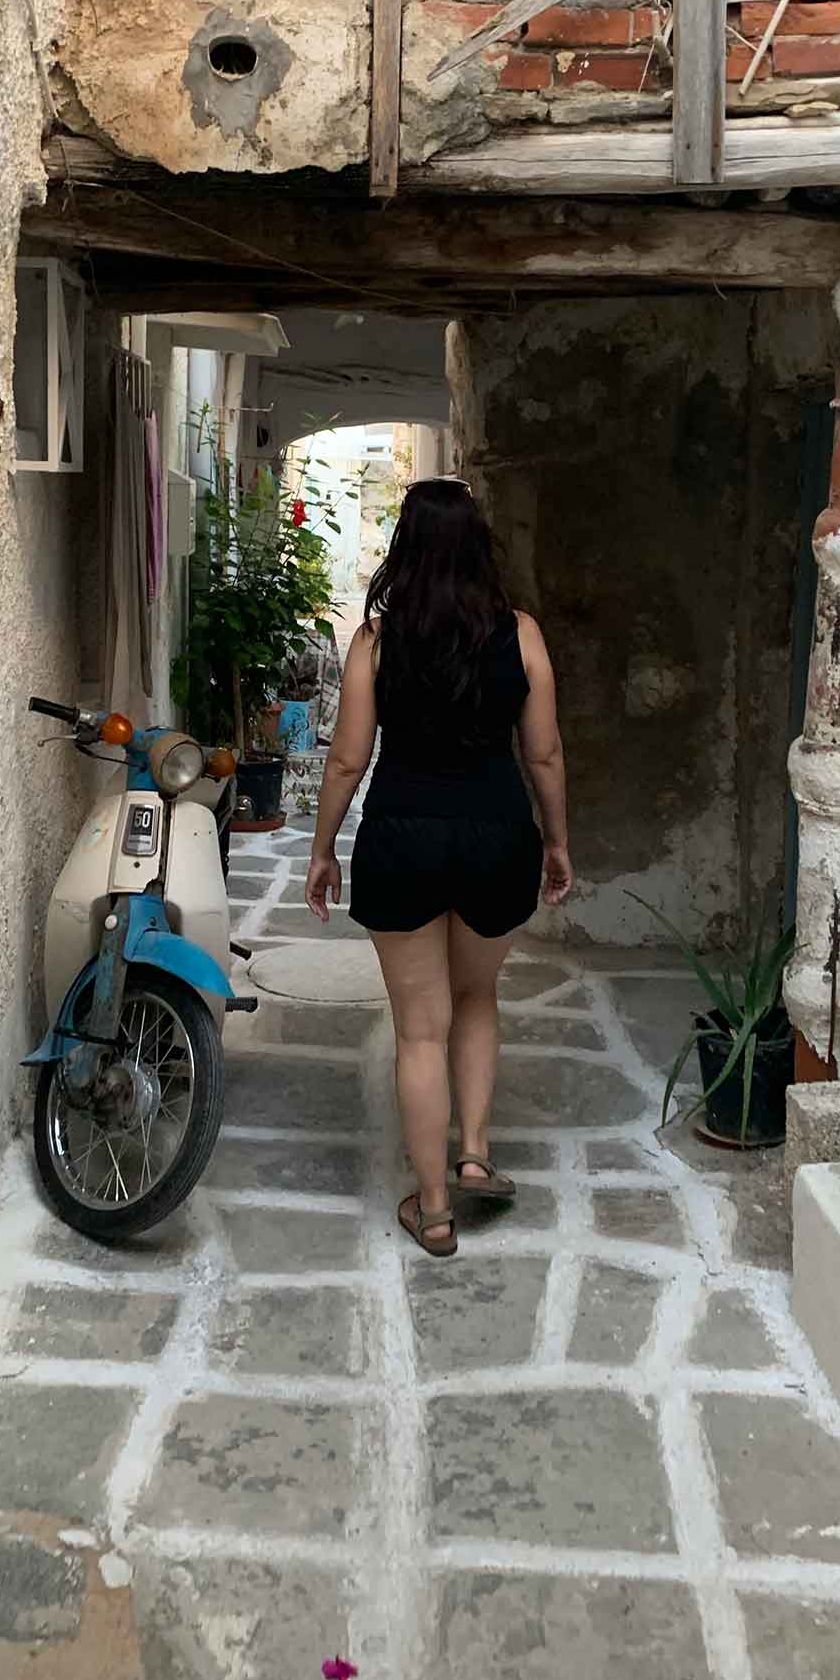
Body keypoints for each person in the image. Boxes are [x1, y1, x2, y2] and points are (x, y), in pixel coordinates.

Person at [304, 479, 572, 1257]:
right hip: (496, 836)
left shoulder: (377, 641)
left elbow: (349, 756)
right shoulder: (521, 634)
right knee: (477, 995)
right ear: (478, 547)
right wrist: (556, 841)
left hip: (403, 838)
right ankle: (475, 1152)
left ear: (406, 550)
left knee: (420, 1030)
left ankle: (434, 1209)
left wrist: (322, 849)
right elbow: (544, 751)